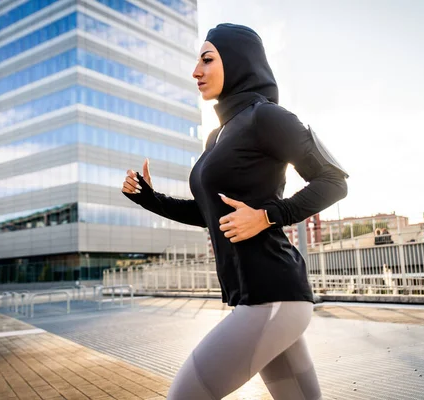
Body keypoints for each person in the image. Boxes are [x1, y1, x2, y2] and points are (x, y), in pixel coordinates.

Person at [122, 23, 348, 400]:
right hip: (255, 298)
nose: (196, 71)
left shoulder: (268, 117)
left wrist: (267, 215)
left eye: (207, 59)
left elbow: (334, 181)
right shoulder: (217, 135)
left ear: (239, 62)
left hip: (273, 295)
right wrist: (149, 197)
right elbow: (208, 213)